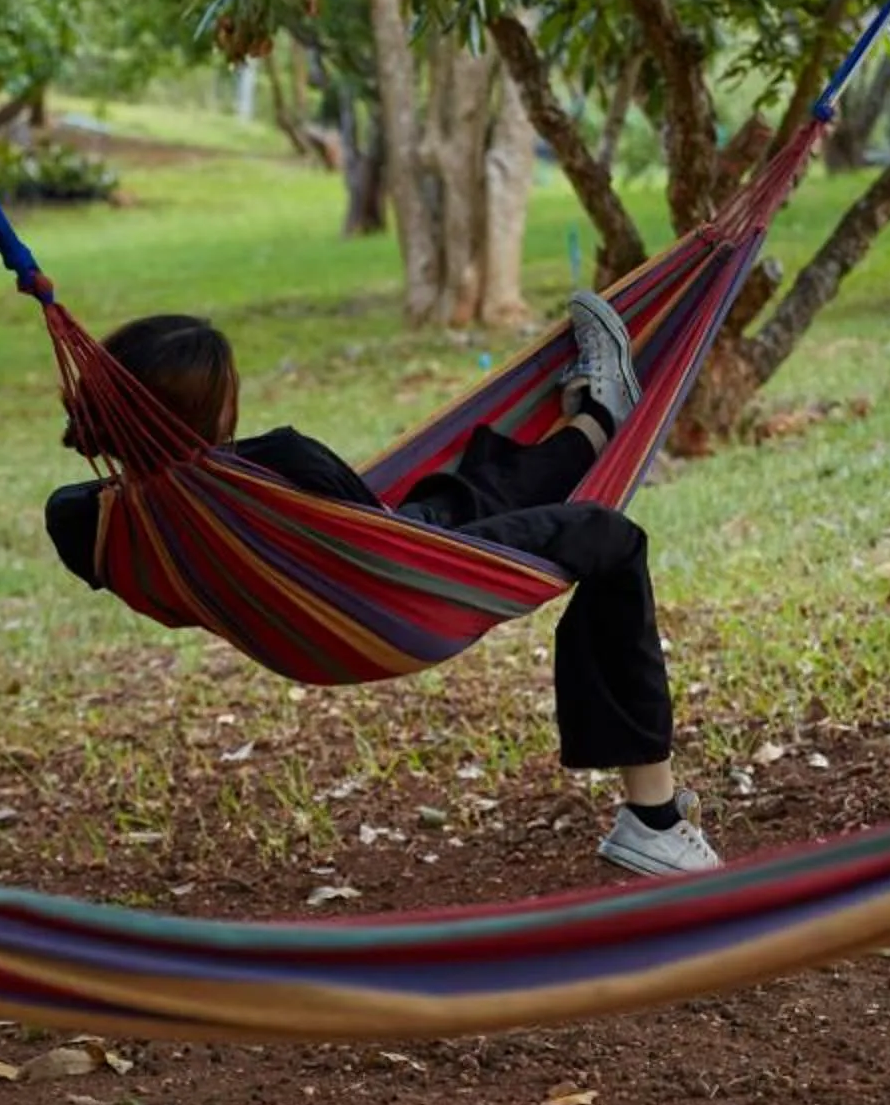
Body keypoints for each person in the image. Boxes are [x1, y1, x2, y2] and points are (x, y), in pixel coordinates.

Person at [43, 292, 720, 876]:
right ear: (215, 415)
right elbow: (387, 541)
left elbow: (361, 530)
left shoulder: (83, 523)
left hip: (306, 632)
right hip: (394, 597)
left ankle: (596, 419)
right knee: (603, 536)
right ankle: (653, 819)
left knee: (462, 498)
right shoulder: (280, 459)